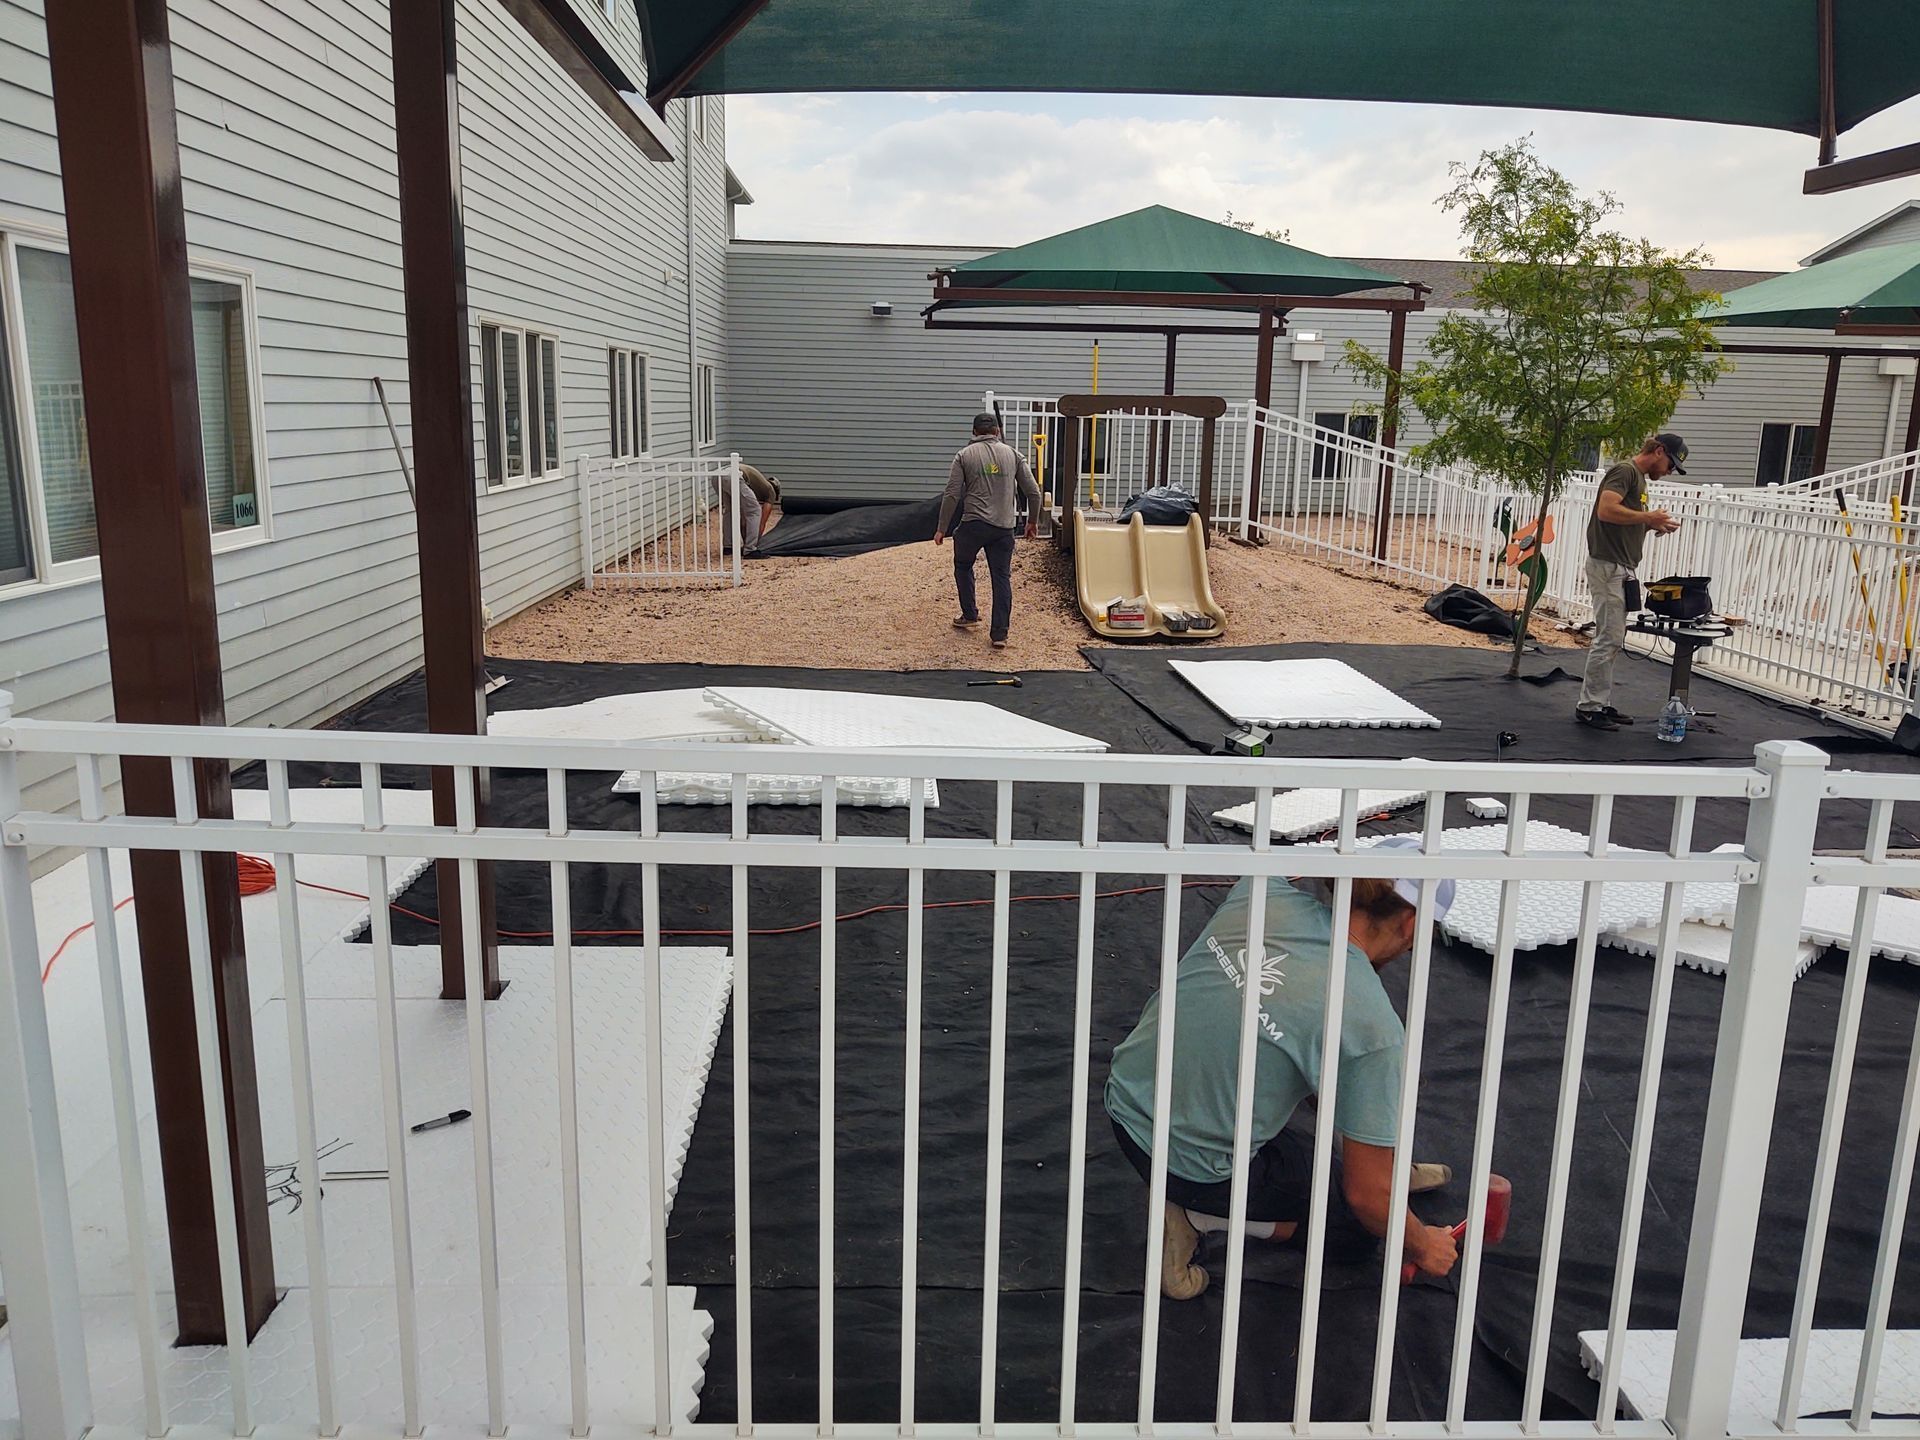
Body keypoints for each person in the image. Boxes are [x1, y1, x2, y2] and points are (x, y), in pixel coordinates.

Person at [1104, 838, 1463, 1300]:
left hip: (1126, 1103)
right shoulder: (1370, 1024)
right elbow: (1366, 1200)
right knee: (1359, 1231)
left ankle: (1382, 1162)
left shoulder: (1261, 894)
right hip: (1190, 1165)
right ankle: (1196, 1217)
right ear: (1412, 925)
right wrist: (1422, 1241)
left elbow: (1275, 850)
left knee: (1303, 1065)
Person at [1577, 434, 1687, 731]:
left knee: (1612, 637)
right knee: (1608, 638)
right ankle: (1590, 708)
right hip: (1609, 565)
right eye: (1670, 464)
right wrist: (1647, 517)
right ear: (1659, 451)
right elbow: (1606, 510)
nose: (1669, 471)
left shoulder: (1638, 479)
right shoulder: (1625, 472)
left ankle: (1599, 701)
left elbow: (1623, 518)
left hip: (1620, 567)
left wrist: (1651, 524)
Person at [934, 413, 1041, 650]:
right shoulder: (1013, 455)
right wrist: (1032, 522)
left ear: (973, 432)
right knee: (1001, 577)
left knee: (963, 565)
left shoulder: (964, 455)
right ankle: (999, 634)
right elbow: (1034, 493)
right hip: (1003, 528)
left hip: (973, 525)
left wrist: (942, 528)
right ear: (997, 432)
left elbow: (951, 494)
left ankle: (970, 615)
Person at [720, 462, 781, 553]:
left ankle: (728, 547)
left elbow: (744, 522)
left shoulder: (756, 485)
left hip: (719, 475)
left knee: (731, 510)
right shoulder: (770, 491)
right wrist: (755, 542)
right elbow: (762, 522)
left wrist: (745, 539)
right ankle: (750, 550)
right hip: (735, 476)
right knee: (755, 511)